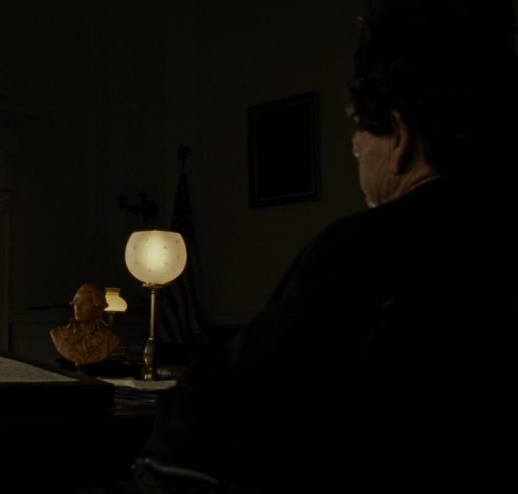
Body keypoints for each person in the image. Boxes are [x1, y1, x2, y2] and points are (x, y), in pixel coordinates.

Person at [138, 1, 518, 492]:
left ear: (401, 137)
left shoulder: (370, 248)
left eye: (359, 129)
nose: (355, 147)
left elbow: (213, 415)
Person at [50, 283, 121, 365]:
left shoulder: (110, 339)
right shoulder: (58, 334)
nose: (77, 307)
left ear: (97, 308)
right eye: (76, 302)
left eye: (84, 303)